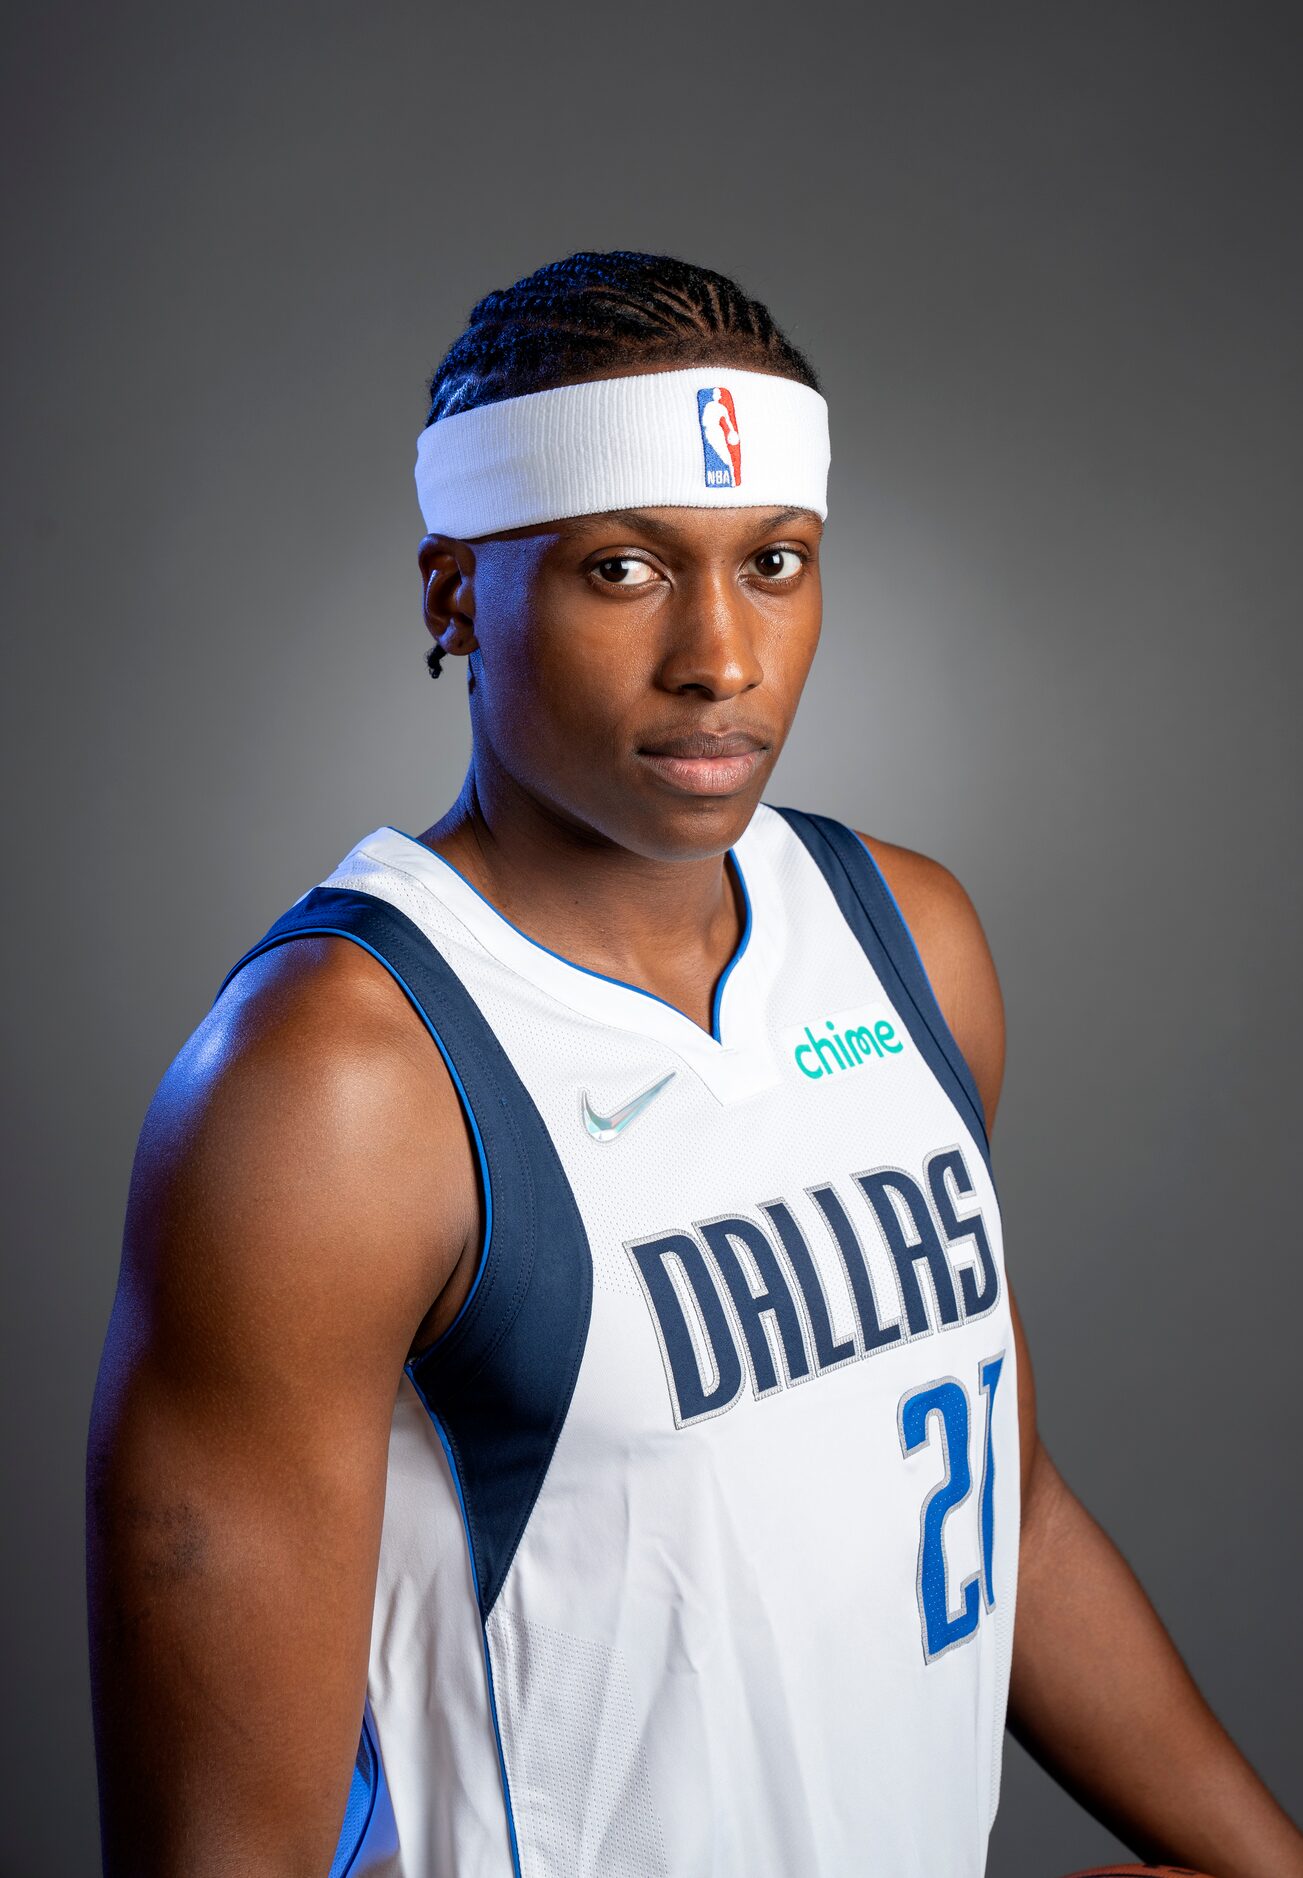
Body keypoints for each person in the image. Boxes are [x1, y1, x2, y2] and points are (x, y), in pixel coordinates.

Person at [86, 251, 1303, 1878]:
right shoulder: (337, 1086)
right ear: (455, 590)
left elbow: (1003, 1502)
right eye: (622, 569)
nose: (720, 655)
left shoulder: (906, 935)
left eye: (776, 560)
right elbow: (222, 1851)